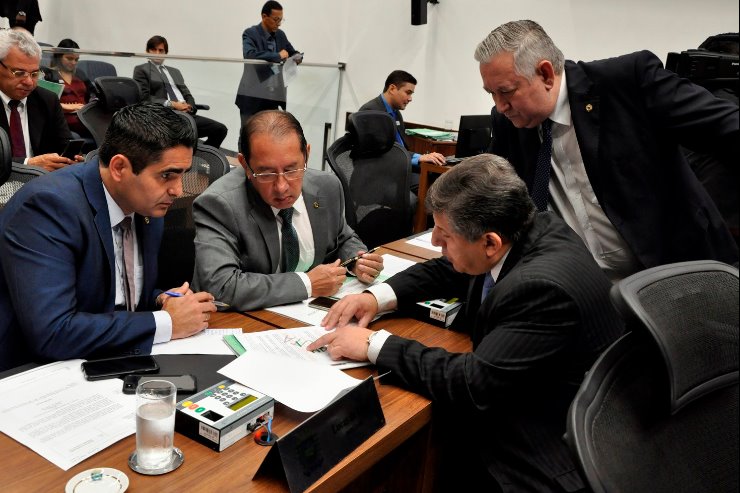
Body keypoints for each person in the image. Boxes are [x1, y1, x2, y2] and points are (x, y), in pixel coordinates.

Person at [309, 154, 624, 491]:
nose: (434, 243)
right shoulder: (533, 228)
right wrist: (375, 297)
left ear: (490, 242)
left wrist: (373, 344)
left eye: (444, 234)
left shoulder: (540, 290)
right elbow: (450, 268)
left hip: (546, 448)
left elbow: (472, 385)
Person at [475, 20, 739, 282]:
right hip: (586, 289)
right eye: (491, 94)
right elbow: (488, 196)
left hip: (677, 276)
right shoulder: (509, 124)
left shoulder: (627, 81)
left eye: (506, 92)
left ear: (545, 74)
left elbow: (728, 127)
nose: (500, 106)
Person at [0, 102, 218, 372]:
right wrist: (166, 322)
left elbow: (115, 292)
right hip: (36, 372)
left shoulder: (145, 204)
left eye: (182, 174)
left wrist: (163, 299)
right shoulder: (49, 208)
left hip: (112, 357)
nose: (177, 190)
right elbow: (53, 332)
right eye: (167, 175)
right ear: (119, 168)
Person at [192, 110, 383, 311]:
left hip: (309, 316)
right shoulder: (219, 204)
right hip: (243, 321)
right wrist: (307, 284)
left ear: (307, 154)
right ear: (245, 165)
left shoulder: (327, 187)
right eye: (266, 173)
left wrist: (357, 260)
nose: (282, 187)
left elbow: (342, 237)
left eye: (292, 170)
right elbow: (221, 287)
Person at [0, 28, 79, 171]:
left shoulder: (48, 100)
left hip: (41, 184)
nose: (29, 82)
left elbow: (64, 145)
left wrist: (71, 159)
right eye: (19, 73)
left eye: (35, 74)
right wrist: (27, 164)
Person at [133, 35, 227, 149]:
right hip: (165, 115)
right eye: (153, 49)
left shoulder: (174, 72)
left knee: (220, 129)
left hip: (186, 114)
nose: (157, 53)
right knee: (182, 135)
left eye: (161, 50)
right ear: (147, 52)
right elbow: (145, 98)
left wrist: (190, 107)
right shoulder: (142, 70)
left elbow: (187, 94)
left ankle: (202, 158)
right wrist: (172, 104)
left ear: (166, 53)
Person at [360, 70, 446, 185]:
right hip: (379, 177)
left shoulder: (396, 112)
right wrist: (420, 157)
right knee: (432, 188)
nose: (410, 98)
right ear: (392, 89)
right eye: (408, 92)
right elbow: (385, 153)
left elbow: (400, 148)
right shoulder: (371, 112)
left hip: (398, 168)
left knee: (438, 180)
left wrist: (424, 157)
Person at [235, 0, 301, 125]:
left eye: (281, 20)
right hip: (252, 94)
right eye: (276, 20)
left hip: (273, 96)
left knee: (270, 134)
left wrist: (297, 57)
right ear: (264, 16)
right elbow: (250, 54)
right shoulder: (250, 33)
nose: (279, 24)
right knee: (247, 135)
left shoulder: (280, 35)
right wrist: (277, 56)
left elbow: (291, 51)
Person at [43, 38, 94, 141]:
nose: (73, 62)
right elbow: (43, 102)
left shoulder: (80, 74)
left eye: (76, 59)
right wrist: (65, 106)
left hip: (83, 117)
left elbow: (93, 93)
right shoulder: (50, 74)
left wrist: (89, 106)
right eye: (69, 58)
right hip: (63, 119)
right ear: (58, 57)